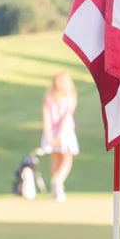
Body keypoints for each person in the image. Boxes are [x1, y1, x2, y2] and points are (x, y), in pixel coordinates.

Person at [40, 71, 79, 202]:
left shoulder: (49, 97)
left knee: (56, 159)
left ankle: (55, 185)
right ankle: (58, 181)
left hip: (53, 132)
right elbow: (66, 118)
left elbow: (46, 119)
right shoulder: (70, 97)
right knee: (67, 159)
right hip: (65, 132)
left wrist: (49, 136)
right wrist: (58, 135)